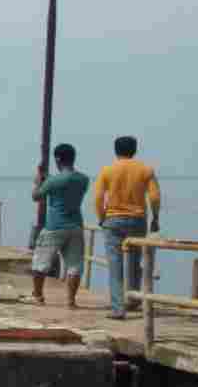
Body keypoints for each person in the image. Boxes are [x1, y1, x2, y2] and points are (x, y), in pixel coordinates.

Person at [94, 135, 162, 321]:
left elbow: (98, 198)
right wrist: (155, 218)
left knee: (115, 264)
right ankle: (132, 299)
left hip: (113, 220)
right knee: (134, 261)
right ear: (135, 149)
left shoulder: (107, 170)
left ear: (115, 150)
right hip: (137, 219)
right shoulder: (145, 169)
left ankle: (118, 308)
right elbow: (154, 197)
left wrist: (101, 218)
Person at [30, 143, 90, 308]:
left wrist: (37, 182)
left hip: (54, 226)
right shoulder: (83, 179)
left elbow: (36, 196)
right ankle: (71, 301)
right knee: (74, 266)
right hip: (76, 225)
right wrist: (48, 179)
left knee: (40, 262)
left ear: (57, 159)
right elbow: (63, 185)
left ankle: (38, 296)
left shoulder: (52, 181)